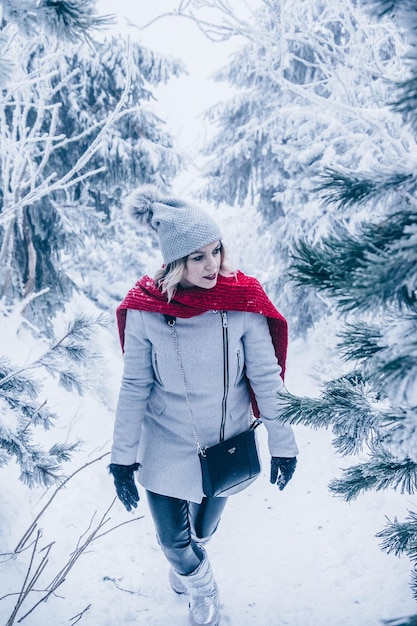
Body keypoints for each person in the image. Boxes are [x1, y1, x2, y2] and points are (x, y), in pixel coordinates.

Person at [109, 184, 299, 626]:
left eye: (215, 251)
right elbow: (134, 386)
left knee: (201, 533)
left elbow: (266, 379)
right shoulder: (146, 310)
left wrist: (284, 443)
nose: (212, 263)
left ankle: (190, 569)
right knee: (174, 542)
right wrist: (122, 461)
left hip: (224, 444)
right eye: (198, 257)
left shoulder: (242, 302)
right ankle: (203, 590)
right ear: (176, 263)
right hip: (165, 443)